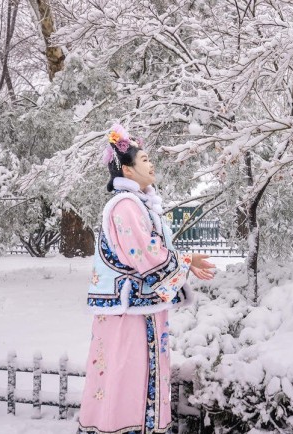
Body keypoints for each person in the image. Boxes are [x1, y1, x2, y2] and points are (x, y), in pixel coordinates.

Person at [78, 124, 216, 434]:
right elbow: (148, 256)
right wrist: (186, 262)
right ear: (127, 171)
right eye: (145, 160)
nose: (151, 165)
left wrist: (185, 261)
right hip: (130, 313)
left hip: (136, 308)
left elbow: (153, 252)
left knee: (128, 373)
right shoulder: (125, 206)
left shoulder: (137, 205)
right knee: (128, 373)